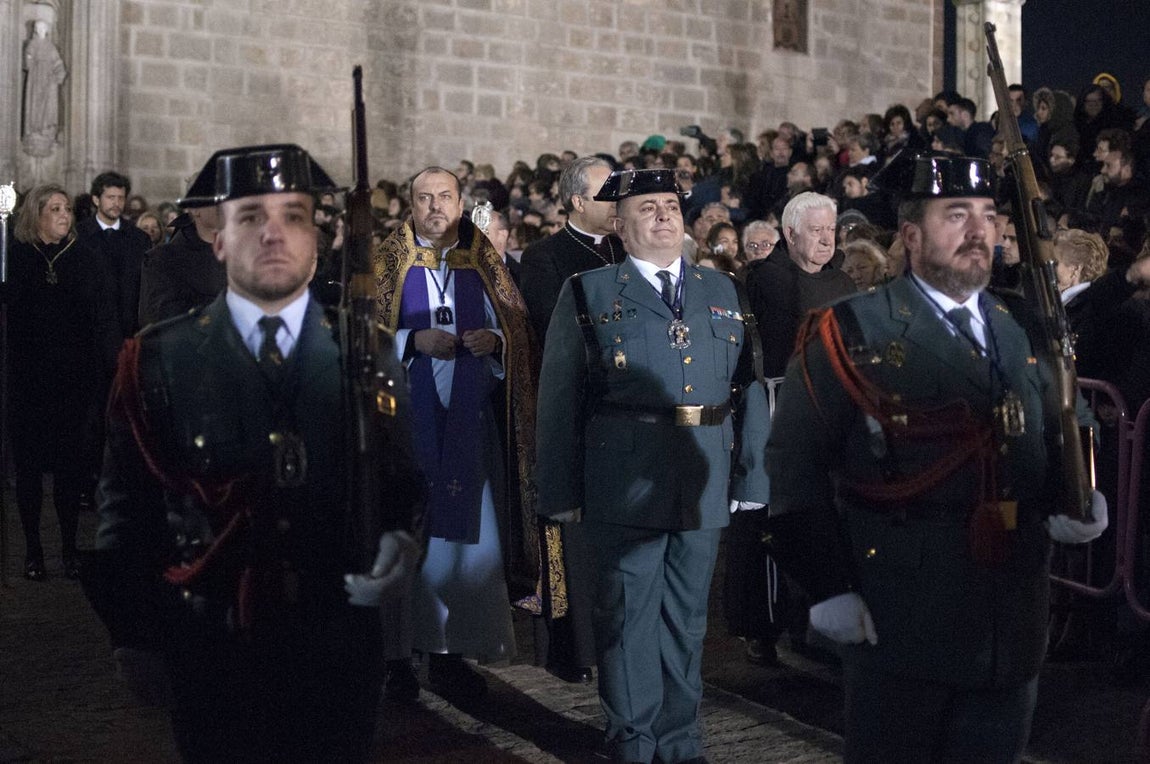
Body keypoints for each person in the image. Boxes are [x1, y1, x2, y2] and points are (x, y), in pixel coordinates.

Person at [764, 152, 1109, 762]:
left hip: (1009, 612)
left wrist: (1078, 493)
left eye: (988, 214)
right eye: (957, 214)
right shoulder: (854, 328)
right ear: (912, 235)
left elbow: (1072, 422)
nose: (980, 231)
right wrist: (827, 587)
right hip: (901, 609)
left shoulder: (1023, 324)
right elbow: (796, 467)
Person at [88, 144, 425, 762]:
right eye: (251, 217)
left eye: (295, 216)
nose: (274, 233)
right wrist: (134, 637)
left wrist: (401, 540)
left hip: (336, 641)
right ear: (218, 238)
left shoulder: (365, 351)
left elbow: (398, 479)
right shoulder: (159, 359)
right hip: (210, 644)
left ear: (316, 241)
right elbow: (126, 512)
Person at [535, 168, 771, 763]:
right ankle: (632, 743)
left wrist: (751, 474)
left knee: (689, 621)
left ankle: (679, 742)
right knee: (625, 619)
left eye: (671, 205)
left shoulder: (723, 292)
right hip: (622, 482)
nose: (664, 216)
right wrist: (559, 491)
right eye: (647, 207)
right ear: (619, 223)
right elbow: (559, 398)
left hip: (703, 475)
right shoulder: (588, 292)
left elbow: (749, 389)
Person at [373, 166, 538, 700]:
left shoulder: (485, 259)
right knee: (406, 538)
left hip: (470, 423)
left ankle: (451, 652)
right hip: (404, 429)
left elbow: (517, 327)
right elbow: (359, 335)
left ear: (461, 201)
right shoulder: (387, 261)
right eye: (424, 198)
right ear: (410, 204)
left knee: (466, 543)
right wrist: (411, 340)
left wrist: (495, 338)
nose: (435, 206)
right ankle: (396, 658)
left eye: (445, 196)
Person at [518, 156, 622, 685]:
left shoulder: (630, 250)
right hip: (575, 408)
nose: (618, 202)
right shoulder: (543, 257)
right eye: (609, 193)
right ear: (578, 201)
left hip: (627, 415)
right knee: (571, 532)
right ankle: (573, 645)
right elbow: (553, 325)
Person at [8, 184, 119, 581]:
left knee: (70, 471)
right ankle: (34, 551)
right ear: (35, 214)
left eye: (67, 209)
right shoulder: (16, 258)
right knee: (29, 472)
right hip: (26, 385)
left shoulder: (85, 259)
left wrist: (110, 369)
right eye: (54, 208)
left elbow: (102, 318)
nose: (63, 215)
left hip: (73, 384)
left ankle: (70, 548)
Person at [137, 186, 225, 327]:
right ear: (195, 209)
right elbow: (156, 320)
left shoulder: (242, 254)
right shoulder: (162, 260)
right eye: (215, 200)